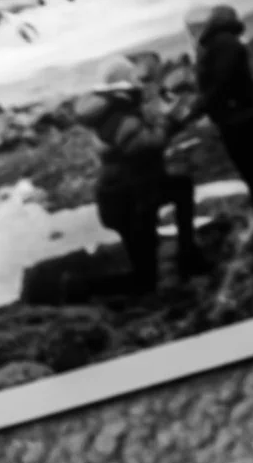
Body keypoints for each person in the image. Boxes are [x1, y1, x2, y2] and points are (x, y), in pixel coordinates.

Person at [78, 64, 205, 292]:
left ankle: (187, 256)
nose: (139, 88)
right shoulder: (120, 118)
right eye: (134, 83)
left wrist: (168, 120)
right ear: (122, 90)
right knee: (145, 272)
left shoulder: (109, 115)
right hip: (129, 199)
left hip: (126, 194)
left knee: (181, 188)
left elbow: (143, 144)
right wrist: (172, 119)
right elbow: (148, 145)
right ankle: (76, 288)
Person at [190, 4, 253, 212]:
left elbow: (219, 81)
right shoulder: (227, 43)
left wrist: (199, 107)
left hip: (231, 114)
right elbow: (223, 80)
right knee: (252, 162)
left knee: (247, 163)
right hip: (237, 112)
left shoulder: (216, 44)